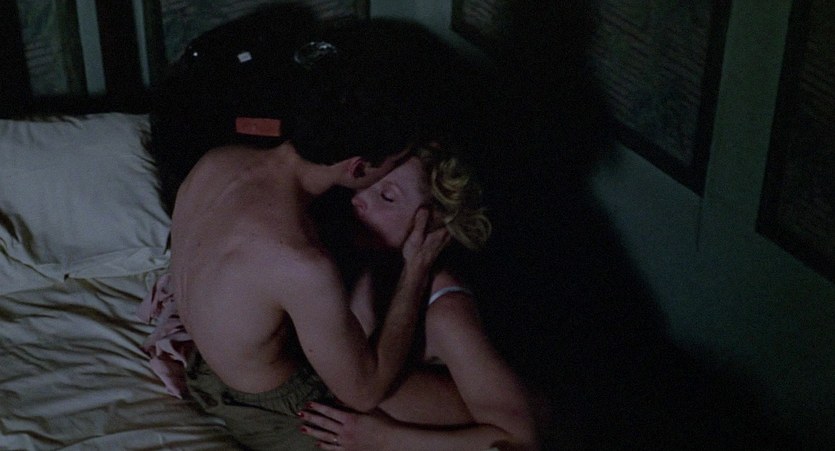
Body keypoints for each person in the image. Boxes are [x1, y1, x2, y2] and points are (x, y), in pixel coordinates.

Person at [139, 16, 480, 451]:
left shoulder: (218, 160)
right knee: (488, 416)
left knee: (481, 402)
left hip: (208, 366)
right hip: (275, 406)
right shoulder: (301, 261)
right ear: (358, 167)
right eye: (394, 164)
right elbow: (366, 390)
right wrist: (417, 268)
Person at [298, 144, 540, 450]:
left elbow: (520, 440)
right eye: (368, 183)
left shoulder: (447, 312)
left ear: (434, 221)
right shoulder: (368, 265)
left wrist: (383, 439)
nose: (359, 198)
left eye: (387, 196)